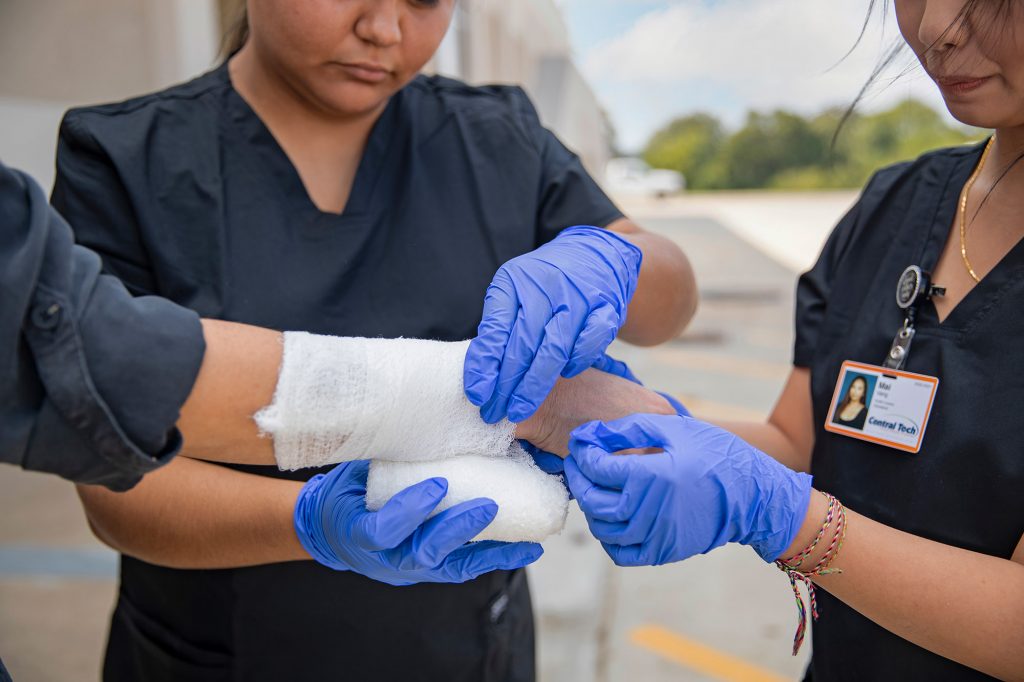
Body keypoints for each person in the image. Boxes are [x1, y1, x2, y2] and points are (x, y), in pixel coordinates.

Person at [49, 1, 698, 680]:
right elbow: (115, 488)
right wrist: (309, 520)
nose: (384, 30)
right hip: (225, 648)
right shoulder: (124, 159)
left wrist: (614, 261)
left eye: (423, 1)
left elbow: (670, 300)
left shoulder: (496, 139)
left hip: (466, 643)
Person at [564, 1, 1024, 680]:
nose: (935, 28)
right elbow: (796, 442)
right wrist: (593, 414)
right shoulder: (894, 206)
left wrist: (789, 522)